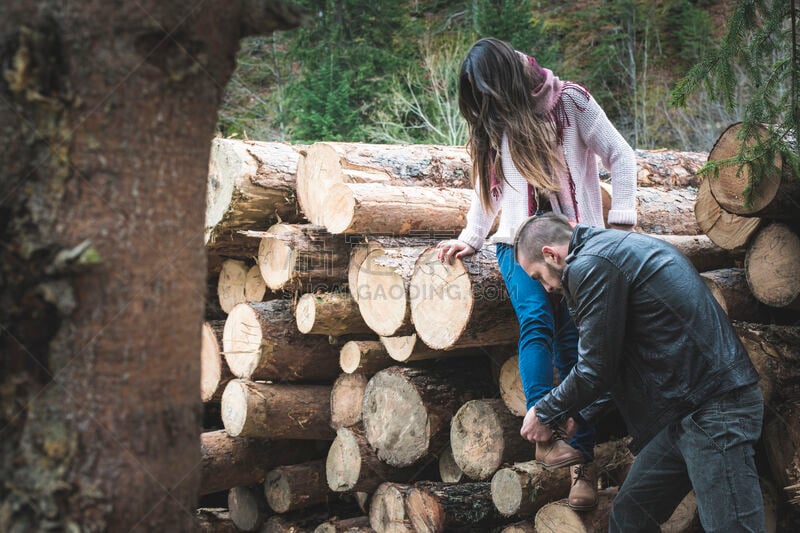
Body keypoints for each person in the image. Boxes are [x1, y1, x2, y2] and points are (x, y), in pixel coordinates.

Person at [436, 37, 637, 510]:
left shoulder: (571, 102)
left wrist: (622, 223)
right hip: (514, 244)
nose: (484, 103)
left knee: (574, 343)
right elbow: (487, 192)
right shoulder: (493, 119)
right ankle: (545, 431)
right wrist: (472, 236)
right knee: (534, 320)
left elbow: (621, 156)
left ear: (507, 78)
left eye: (488, 91)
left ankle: (580, 467)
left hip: (574, 244)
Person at [515, 213, 764, 531]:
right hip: (684, 413)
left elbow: (595, 369)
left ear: (551, 254)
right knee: (631, 515)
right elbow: (615, 360)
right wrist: (581, 414)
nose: (546, 288)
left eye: (538, 277)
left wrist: (545, 411)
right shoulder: (605, 253)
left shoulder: (590, 265)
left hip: (715, 409)